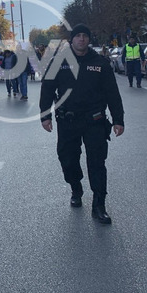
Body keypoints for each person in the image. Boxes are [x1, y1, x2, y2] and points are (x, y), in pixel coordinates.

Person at [39, 24, 124, 225]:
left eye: (85, 36)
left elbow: (113, 93)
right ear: (72, 40)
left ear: (89, 39)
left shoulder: (100, 63)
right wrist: (45, 116)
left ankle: (99, 205)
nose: (82, 39)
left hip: (94, 120)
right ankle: (76, 187)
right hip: (68, 120)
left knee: (97, 162)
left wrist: (118, 119)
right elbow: (47, 89)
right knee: (67, 159)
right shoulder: (59, 62)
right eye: (78, 36)